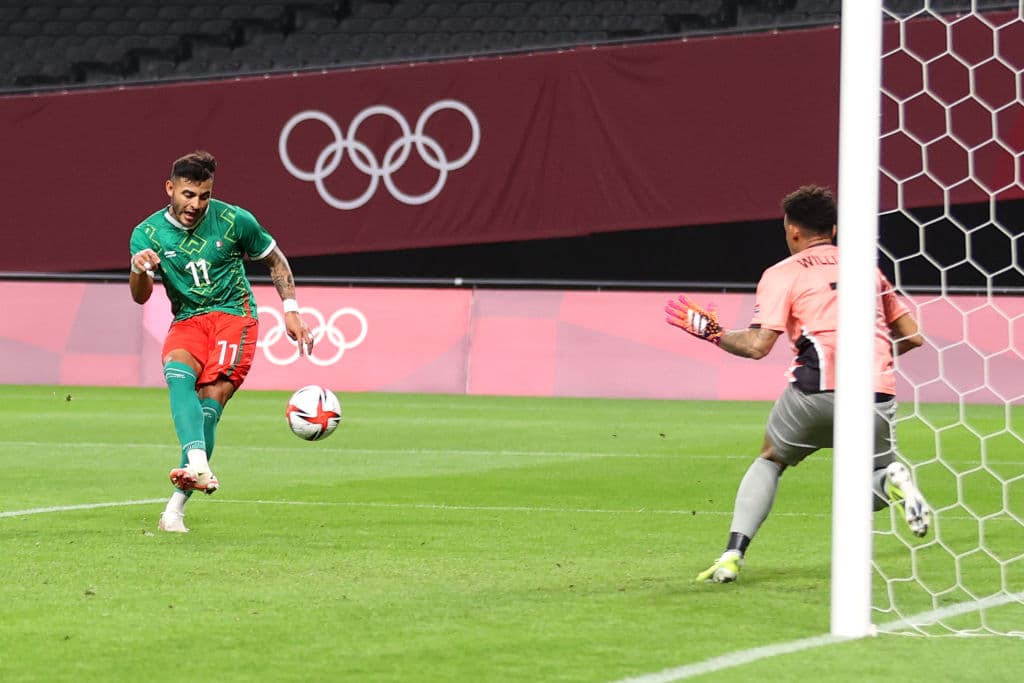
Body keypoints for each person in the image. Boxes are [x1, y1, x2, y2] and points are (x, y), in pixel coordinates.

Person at [665, 184, 932, 583]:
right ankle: (893, 481)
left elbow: (758, 346)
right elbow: (912, 337)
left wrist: (713, 333)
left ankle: (732, 554)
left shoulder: (783, 273)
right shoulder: (867, 268)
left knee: (771, 458)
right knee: (869, 479)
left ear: (792, 230)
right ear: (835, 230)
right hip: (876, 393)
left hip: (814, 392)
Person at [129, 150, 314, 533]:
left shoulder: (234, 220)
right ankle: (197, 465)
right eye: (188, 195)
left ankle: (174, 510)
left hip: (234, 316)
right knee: (177, 372)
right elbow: (140, 296)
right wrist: (139, 268)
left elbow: (275, 260)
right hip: (189, 319)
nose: (195, 205)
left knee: (211, 399)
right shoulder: (146, 234)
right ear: (170, 189)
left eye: (204, 196)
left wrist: (291, 309)